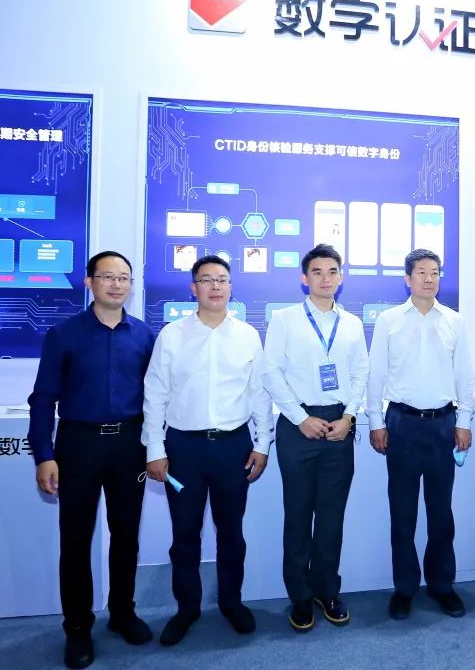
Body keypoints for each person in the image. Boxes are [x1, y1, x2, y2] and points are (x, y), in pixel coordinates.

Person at [27, 250, 155, 669]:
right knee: (76, 539)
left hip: (130, 445)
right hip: (78, 444)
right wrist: (44, 454)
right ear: (89, 282)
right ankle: (78, 626)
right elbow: (43, 398)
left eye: (124, 278)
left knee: (127, 534)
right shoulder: (64, 334)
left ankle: (122, 613)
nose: (117, 284)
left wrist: (158, 447)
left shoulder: (145, 335)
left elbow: (158, 396)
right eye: (107, 277)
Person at [141, 256, 273, 647]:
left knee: (231, 532)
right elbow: (155, 394)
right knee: (185, 533)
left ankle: (231, 602)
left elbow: (259, 394)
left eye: (222, 279)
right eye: (206, 280)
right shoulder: (172, 335)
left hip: (234, 448)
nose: (215, 286)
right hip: (183, 451)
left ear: (231, 287)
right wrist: (154, 448)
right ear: (193, 288)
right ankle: (187, 608)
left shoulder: (248, 335)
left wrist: (262, 444)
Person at [263, 244, 369, 632]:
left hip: (339, 425)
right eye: (317, 272)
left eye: (332, 271)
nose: (326, 278)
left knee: (330, 517)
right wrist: (300, 418)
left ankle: (327, 590)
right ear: (304, 278)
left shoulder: (352, 323)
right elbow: (271, 372)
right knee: (298, 515)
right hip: (298, 426)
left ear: (341, 277)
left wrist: (349, 416)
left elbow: (361, 373)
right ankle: (300, 596)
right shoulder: (285, 319)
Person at [367, 249, 475, 620]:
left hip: (444, 424)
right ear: (407, 278)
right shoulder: (389, 320)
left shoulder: (455, 321)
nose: (429, 279)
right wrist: (376, 422)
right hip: (402, 423)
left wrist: (464, 420)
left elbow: (464, 375)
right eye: (422, 272)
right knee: (403, 512)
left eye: (435, 273)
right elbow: (376, 373)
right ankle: (405, 588)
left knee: (441, 513)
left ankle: (442, 585)